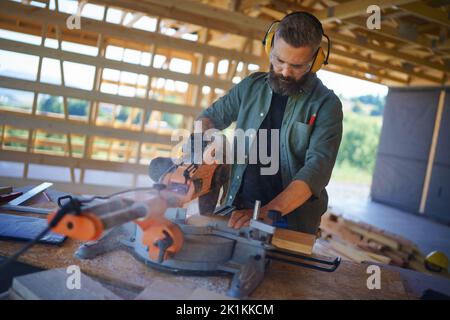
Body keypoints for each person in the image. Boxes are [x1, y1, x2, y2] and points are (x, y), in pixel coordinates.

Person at [195, 12, 343, 235]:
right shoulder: (250, 87)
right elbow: (207, 118)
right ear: (270, 47)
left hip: (289, 223)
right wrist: (206, 150)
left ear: (316, 61)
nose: (285, 72)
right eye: (279, 60)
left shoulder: (326, 105)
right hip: (235, 210)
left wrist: (266, 212)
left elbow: (316, 171)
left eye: (297, 65)